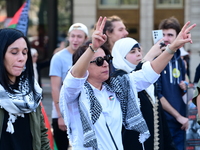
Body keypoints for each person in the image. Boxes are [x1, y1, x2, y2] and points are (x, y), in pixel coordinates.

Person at [59, 16, 196, 149]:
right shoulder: (75, 94)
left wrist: (171, 48)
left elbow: (149, 72)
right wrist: (92, 48)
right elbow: (75, 77)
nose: (106, 64)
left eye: (106, 59)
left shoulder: (116, 87)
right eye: (99, 61)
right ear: (85, 67)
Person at [111, 37, 176, 150]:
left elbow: (158, 113)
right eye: (132, 52)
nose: (138, 54)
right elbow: (138, 78)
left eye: (139, 50)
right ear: (121, 56)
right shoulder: (119, 80)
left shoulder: (146, 81)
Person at [0, 28, 50, 150]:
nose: (21, 58)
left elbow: (41, 133)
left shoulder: (32, 90)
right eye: (14, 52)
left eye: (24, 52)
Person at [49, 22, 89, 150]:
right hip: (62, 113)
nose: (75, 40)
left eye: (79, 36)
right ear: (68, 37)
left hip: (83, 112)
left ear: (86, 39)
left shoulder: (88, 57)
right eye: (73, 36)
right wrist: (60, 115)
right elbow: (55, 88)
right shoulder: (58, 57)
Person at [155, 16, 191, 150]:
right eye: (163, 34)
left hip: (181, 123)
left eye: (170, 35)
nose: (165, 38)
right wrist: (178, 116)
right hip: (164, 122)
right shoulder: (155, 60)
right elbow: (156, 94)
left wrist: (186, 87)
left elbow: (185, 88)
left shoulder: (180, 61)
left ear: (177, 37)